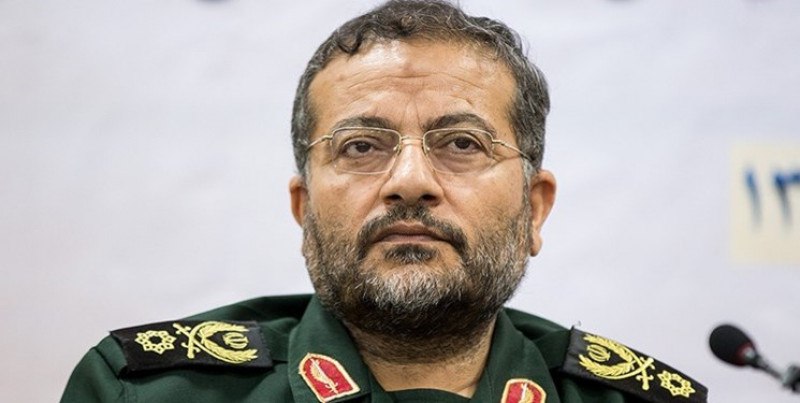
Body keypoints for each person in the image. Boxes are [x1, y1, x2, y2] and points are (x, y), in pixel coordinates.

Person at [62, 1, 707, 402]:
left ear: (533, 209)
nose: (410, 180)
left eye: (462, 143)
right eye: (362, 146)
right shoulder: (145, 392)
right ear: (304, 210)